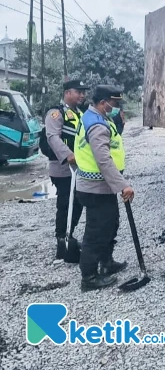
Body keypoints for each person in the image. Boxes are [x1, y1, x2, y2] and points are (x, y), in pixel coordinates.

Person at [74, 85, 132, 292]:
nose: (115, 107)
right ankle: (88, 277)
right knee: (96, 232)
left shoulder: (96, 117)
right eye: (114, 103)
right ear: (103, 102)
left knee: (110, 224)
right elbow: (103, 160)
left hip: (101, 186)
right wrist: (123, 185)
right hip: (95, 188)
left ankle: (107, 262)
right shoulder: (97, 124)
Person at [42, 79, 88, 261]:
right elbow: (52, 137)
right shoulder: (55, 113)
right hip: (62, 169)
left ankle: (70, 234)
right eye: (79, 91)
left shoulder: (79, 113)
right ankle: (62, 242)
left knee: (76, 204)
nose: (82, 95)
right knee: (65, 205)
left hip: (78, 168)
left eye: (84, 92)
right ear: (68, 93)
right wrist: (69, 155)